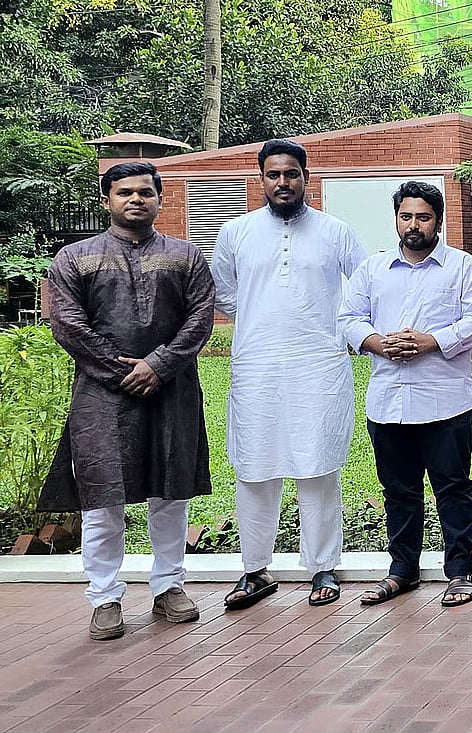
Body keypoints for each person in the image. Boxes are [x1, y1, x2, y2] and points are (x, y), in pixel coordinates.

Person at [39, 161, 215, 640]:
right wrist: (124, 369)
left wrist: (158, 365)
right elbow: (68, 324)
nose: (135, 199)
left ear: (160, 199)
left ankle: (169, 587)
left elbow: (200, 319)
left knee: (170, 492)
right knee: (102, 497)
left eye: (145, 192)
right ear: (106, 200)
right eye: (125, 192)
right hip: (102, 395)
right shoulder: (75, 258)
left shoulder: (185, 256)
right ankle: (104, 596)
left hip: (171, 388)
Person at [211, 139, 367, 610]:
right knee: (254, 468)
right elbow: (223, 294)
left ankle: (323, 567)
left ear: (305, 177)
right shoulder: (235, 233)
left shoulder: (336, 231)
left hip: (318, 366)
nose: (283, 182)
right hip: (256, 367)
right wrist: (267, 322)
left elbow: (363, 288)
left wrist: (320, 327)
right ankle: (255, 570)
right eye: (274, 174)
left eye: (292, 174)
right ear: (260, 179)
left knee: (317, 467)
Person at [338, 181, 472, 608]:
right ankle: (402, 571)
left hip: (445, 400)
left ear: (438, 221)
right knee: (398, 491)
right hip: (387, 401)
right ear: (396, 219)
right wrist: (376, 343)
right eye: (406, 216)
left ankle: (461, 571)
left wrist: (433, 341)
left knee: (453, 487)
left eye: (423, 217)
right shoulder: (372, 269)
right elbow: (349, 317)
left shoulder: (462, 267)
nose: (413, 225)